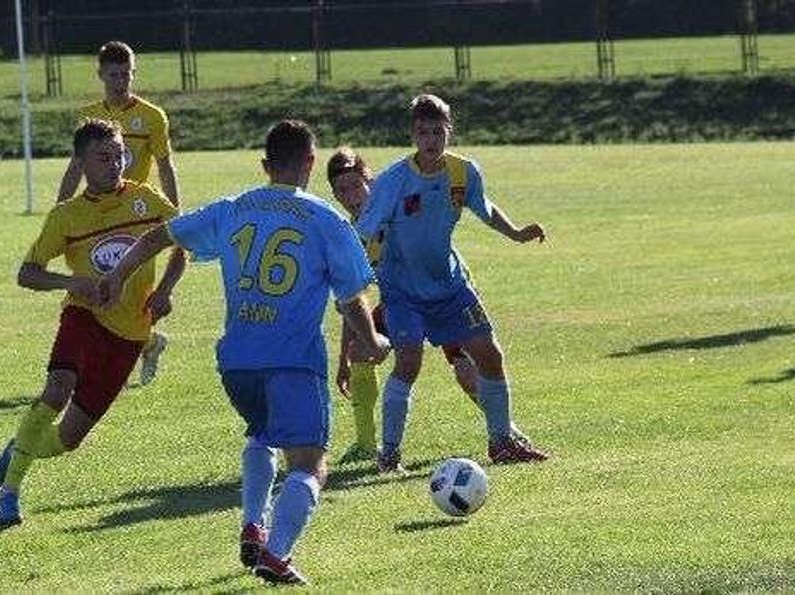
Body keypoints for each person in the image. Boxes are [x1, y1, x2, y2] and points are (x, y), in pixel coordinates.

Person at [100, 120, 390, 586]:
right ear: (311, 164)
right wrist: (372, 342)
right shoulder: (325, 218)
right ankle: (275, 555)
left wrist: (118, 275)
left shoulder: (233, 208)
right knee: (310, 463)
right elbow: (351, 297)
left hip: (236, 363)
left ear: (264, 165)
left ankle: (254, 522)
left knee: (261, 434)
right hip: (292, 361)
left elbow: (162, 235)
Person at [0, 119, 186, 525]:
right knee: (58, 387)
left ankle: (18, 447)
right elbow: (28, 273)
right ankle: (10, 495)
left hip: (131, 332)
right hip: (83, 315)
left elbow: (183, 244)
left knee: (69, 439)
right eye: (103, 157)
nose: (115, 165)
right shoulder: (66, 216)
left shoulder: (148, 201)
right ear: (81, 162)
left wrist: (165, 289)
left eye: (119, 155)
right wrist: (73, 283)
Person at [353, 94, 549, 468]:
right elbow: (364, 232)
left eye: (438, 131)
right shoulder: (394, 181)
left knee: (490, 356)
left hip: (450, 284)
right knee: (408, 363)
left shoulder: (464, 173)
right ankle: (389, 452)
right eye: (423, 132)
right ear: (413, 134)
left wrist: (517, 233)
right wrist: (350, 278)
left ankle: (501, 442)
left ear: (449, 131)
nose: (431, 139)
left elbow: (485, 208)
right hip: (403, 291)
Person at [326, 147, 531, 465]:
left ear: (373, 183)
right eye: (341, 189)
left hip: (444, 293)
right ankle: (369, 446)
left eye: (356, 185)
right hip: (402, 298)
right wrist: (342, 359)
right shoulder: (355, 235)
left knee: (467, 369)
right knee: (362, 352)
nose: (351, 195)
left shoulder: (392, 202)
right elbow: (354, 301)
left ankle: (506, 432)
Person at [57, 40, 178, 385]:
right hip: (96, 214)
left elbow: (166, 166)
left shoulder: (153, 117)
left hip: (137, 214)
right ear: (100, 75)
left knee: (131, 295)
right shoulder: (88, 116)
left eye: (126, 74)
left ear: (133, 73)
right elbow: (75, 167)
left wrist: (175, 211)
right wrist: (61, 209)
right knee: (95, 290)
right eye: (113, 75)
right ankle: (144, 344)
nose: (120, 81)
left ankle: (136, 345)